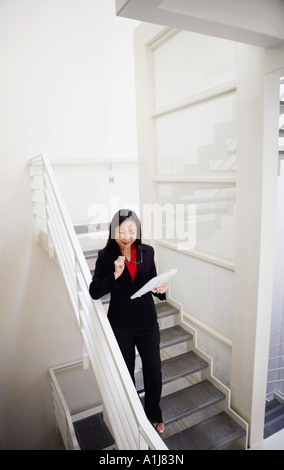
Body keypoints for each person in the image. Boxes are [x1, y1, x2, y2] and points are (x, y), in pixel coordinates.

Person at [89, 209, 168, 433]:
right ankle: (133, 415)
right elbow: (94, 291)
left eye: (131, 230)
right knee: (127, 372)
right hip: (121, 325)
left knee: (154, 370)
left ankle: (153, 413)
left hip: (147, 323)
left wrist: (161, 289)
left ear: (137, 231)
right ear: (114, 232)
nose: (127, 235)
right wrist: (114, 275)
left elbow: (152, 282)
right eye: (122, 231)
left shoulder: (147, 251)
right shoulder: (105, 256)